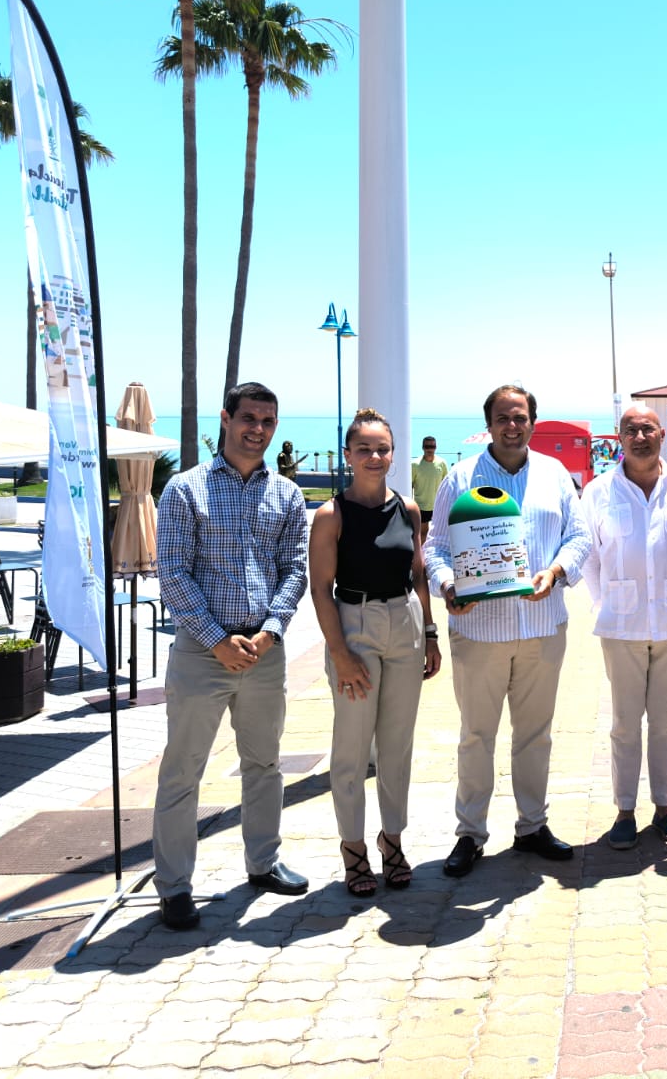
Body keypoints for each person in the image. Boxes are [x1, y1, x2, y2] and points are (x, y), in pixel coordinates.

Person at [153, 381, 310, 930]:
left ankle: (262, 863)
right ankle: (173, 887)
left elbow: (296, 570)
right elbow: (170, 573)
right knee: (183, 771)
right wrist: (216, 638)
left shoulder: (287, 496)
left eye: (268, 421)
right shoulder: (184, 490)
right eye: (249, 418)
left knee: (264, 765)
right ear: (226, 419)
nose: (258, 430)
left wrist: (269, 632)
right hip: (202, 653)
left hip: (264, 653)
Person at [423, 384, 592, 878]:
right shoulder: (460, 478)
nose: (512, 426)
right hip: (479, 633)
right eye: (503, 417)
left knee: (535, 736)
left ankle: (532, 825)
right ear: (489, 424)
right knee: (477, 736)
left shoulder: (555, 474)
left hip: (542, 626)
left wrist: (557, 572)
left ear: (532, 422)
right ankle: (470, 833)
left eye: (520, 417)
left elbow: (579, 536)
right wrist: (448, 583)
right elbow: (435, 547)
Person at [308, 409, 442, 896]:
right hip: (355, 625)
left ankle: (392, 840)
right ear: (348, 455)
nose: (374, 456)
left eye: (382, 448)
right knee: (350, 747)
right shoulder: (331, 515)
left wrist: (429, 632)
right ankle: (353, 850)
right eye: (363, 448)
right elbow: (321, 589)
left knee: (397, 744)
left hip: (404, 622)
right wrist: (340, 654)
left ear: (392, 453)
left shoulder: (406, 508)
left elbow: (420, 573)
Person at [580, 403, 667, 849]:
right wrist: (605, 603)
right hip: (621, 626)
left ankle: (664, 808)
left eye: (647, 428)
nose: (640, 436)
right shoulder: (598, 491)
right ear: (619, 437)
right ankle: (625, 811)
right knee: (625, 724)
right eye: (631, 430)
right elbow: (590, 555)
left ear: (661, 435)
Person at [412, 436, 449, 528]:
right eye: (427, 446)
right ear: (423, 447)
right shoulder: (415, 464)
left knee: (438, 532)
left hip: (438, 506)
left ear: (435, 447)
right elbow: (410, 485)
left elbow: (447, 485)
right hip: (420, 506)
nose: (430, 449)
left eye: (432, 447)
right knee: (422, 532)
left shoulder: (442, 463)